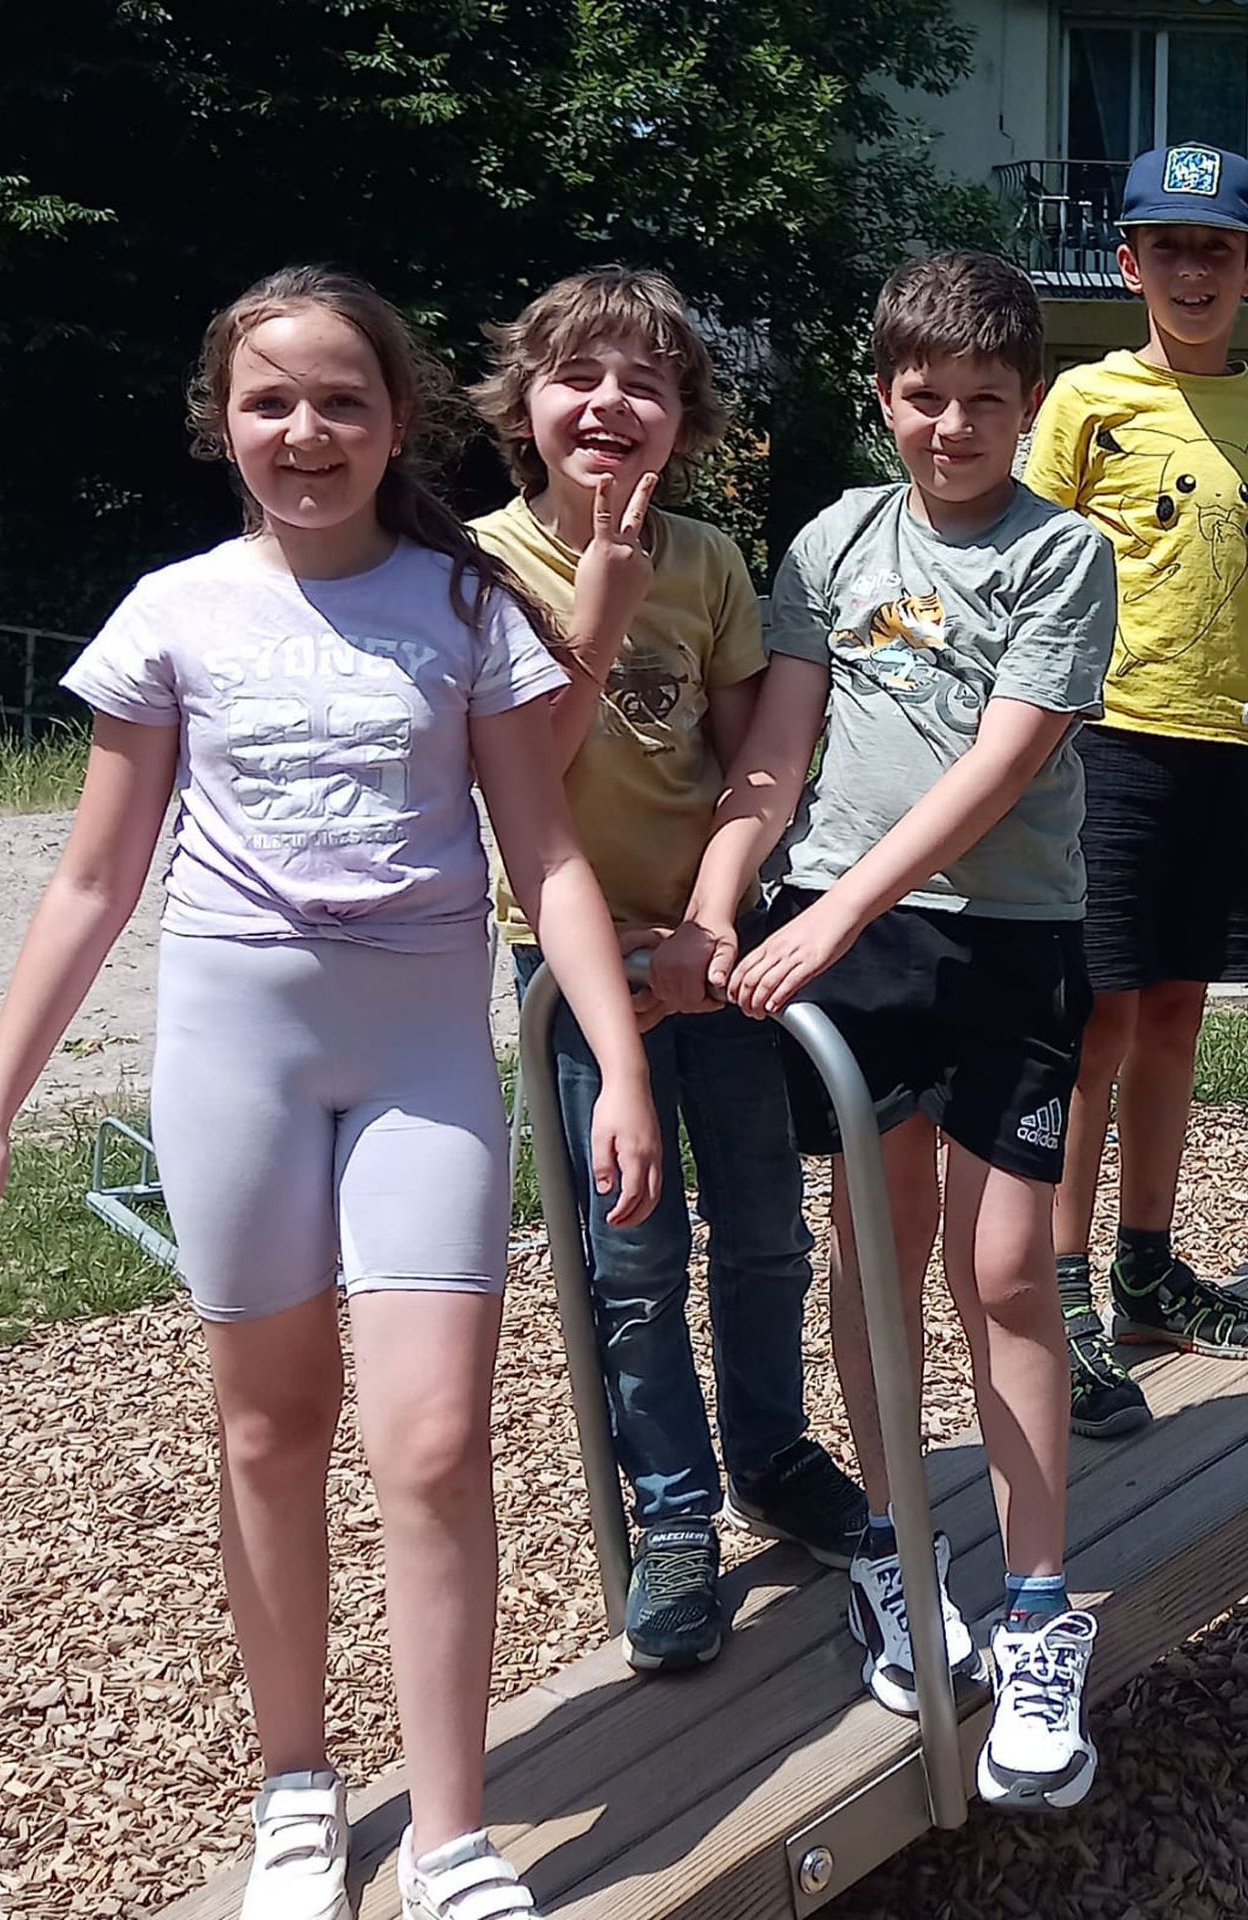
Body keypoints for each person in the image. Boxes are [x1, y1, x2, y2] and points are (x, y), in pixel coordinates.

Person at [0, 265, 660, 1920]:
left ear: (398, 421)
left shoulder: (463, 607)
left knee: (435, 1437)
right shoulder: (175, 612)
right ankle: (295, 1792)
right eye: (272, 402)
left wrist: (616, 1063)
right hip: (234, 1048)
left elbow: (540, 853)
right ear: (222, 425)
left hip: (418, 1058)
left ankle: (455, 1839)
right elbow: (91, 885)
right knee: (269, 1429)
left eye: (343, 401)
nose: (307, 432)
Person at [656, 251, 1115, 1811]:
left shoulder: (1067, 555)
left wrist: (830, 914)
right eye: (926, 400)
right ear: (884, 397)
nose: (953, 428)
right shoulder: (835, 540)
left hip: (1002, 939)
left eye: (987, 401)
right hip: (842, 941)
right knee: (876, 1250)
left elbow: (1001, 768)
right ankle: (906, 1557)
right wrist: (731, 889)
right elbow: (777, 745)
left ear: (1029, 405)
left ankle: (1041, 1609)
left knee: (1004, 1269)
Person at [468, 267, 866, 1673]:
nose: (611, 403)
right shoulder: (480, 565)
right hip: (577, 972)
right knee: (630, 1257)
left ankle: (769, 1449)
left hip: (714, 949)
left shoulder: (704, 562)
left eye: (646, 380)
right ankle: (675, 1511)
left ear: (683, 416)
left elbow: (760, 755)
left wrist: (714, 916)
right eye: (580, 374)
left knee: (765, 1225)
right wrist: (598, 599)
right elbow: (526, 775)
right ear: (526, 399)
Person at [1025, 144, 1248, 1443]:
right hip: (1112, 739)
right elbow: (1031, 570)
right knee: (1099, 1024)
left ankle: (1146, 1267)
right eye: (1168, 248)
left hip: (1233, 739)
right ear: (1129, 262)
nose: (1193, 272)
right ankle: (1062, 1288)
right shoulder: (1085, 400)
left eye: (1218, 250)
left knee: (1182, 1013)